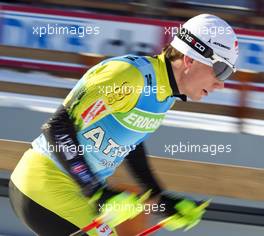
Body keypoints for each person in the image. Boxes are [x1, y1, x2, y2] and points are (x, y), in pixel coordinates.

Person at [9, 14, 238, 236]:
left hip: (71, 191)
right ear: (190, 58)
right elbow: (58, 128)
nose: (221, 84)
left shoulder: (165, 94)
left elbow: (130, 144)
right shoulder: (129, 76)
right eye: (221, 69)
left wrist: (158, 197)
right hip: (44, 186)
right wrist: (97, 191)